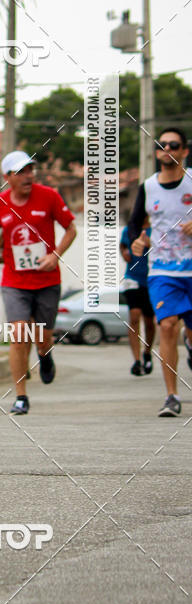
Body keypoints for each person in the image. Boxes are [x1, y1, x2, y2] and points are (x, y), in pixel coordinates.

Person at [0, 151, 76, 415]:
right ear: (7, 177)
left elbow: (71, 229)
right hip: (14, 281)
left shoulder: (49, 196)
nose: (28, 176)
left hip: (47, 280)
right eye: (21, 172)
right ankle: (21, 395)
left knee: (42, 338)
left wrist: (55, 255)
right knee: (20, 333)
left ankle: (45, 355)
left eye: (30, 170)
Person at [129, 127, 192, 417]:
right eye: (162, 145)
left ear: (184, 151)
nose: (167, 149)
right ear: (157, 152)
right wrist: (139, 240)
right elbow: (134, 225)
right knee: (167, 326)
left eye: (174, 145)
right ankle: (171, 395)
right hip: (163, 271)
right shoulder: (148, 186)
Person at [120, 218, 155, 375]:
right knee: (134, 316)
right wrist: (124, 252)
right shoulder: (129, 229)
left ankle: (147, 352)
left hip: (152, 278)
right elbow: (122, 245)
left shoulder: (156, 228)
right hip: (132, 278)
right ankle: (136, 361)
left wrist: (150, 245)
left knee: (149, 320)